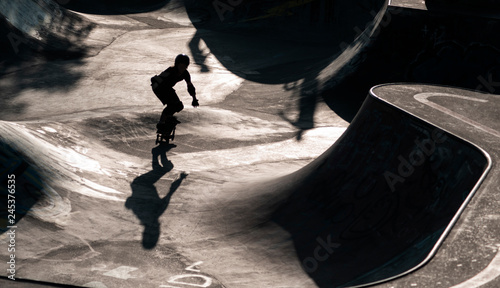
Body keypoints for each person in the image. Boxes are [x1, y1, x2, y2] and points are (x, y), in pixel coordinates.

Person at [151, 54, 199, 131]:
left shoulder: (186, 74)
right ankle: (161, 123)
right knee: (171, 105)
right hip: (159, 87)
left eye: (184, 67)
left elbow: (190, 86)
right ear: (176, 65)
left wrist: (194, 98)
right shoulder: (170, 70)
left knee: (179, 106)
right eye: (180, 66)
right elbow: (159, 78)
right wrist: (155, 82)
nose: (182, 69)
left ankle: (168, 117)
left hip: (168, 88)